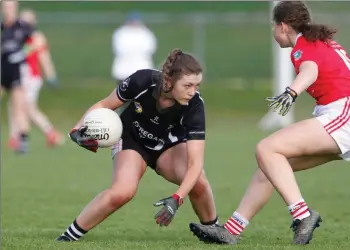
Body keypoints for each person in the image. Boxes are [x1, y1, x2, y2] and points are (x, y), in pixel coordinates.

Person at [189, 1, 350, 246]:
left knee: (266, 148)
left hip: (344, 116)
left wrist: (292, 92)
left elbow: (309, 72)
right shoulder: (326, 44)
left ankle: (302, 215)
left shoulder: (303, 47)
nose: (273, 31)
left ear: (282, 26)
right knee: (270, 166)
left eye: (273, 26)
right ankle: (232, 230)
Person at [56, 49, 219, 242]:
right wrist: (78, 129)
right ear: (168, 80)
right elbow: (104, 105)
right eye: (188, 85)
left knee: (198, 181)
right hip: (131, 139)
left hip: (168, 147)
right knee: (122, 192)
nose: (193, 92)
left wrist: (177, 198)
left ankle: (214, 231)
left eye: (197, 85)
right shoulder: (142, 81)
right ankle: (68, 237)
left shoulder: (195, 105)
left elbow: (195, 163)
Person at [8, 9, 64, 149]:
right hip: (19, 75)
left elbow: (44, 58)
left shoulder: (36, 37)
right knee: (15, 106)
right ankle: (16, 137)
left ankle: (51, 132)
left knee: (28, 108)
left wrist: (51, 76)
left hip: (30, 77)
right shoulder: (16, 35)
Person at [1, 0, 34, 153]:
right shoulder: (2, 27)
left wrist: (22, 53)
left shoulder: (22, 26)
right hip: (2, 70)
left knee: (18, 107)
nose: (8, 10)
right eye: (5, 6)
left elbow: (36, 42)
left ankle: (23, 141)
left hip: (16, 71)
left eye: (10, 6)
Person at [111, 11, 157, 84]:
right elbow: (119, 48)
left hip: (141, 63)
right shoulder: (121, 32)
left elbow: (150, 47)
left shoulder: (145, 33)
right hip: (124, 64)